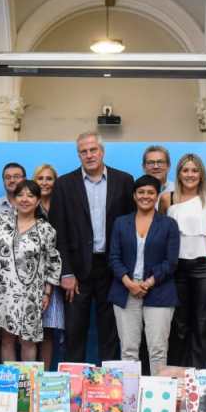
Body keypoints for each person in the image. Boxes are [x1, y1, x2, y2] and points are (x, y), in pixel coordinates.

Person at [49, 132, 135, 362]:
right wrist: (66, 272)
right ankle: (74, 381)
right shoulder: (64, 184)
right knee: (75, 331)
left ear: (102, 151)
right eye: (83, 152)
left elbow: (131, 227)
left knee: (111, 332)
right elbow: (58, 232)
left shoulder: (124, 181)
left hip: (113, 269)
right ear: (78, 155)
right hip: (76, 272)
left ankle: (109, 381)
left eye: (93, 150)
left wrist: (126, 271)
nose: (89, 155)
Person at [109, 175, 180, 375]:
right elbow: (113, 257)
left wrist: (147, 283)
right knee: (128, 350)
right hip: (125, 291)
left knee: (158, 350)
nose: (145, 196)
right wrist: (129, 283)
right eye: (141, 192)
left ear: (157, 196)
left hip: (159, 291)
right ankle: (130, 394)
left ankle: (157, 393)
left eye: (150, 192)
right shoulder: (121, 223)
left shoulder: (169, 224)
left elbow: (171, 262)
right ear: (134, 195)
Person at [0, 180, 62, 362]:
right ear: (14, 199)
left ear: (38, 201)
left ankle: (28, 380)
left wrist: (47, 293)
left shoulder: (46, 229)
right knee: (7, 340)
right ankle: (10, 379)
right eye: (20, 195)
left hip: (31, 293)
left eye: (30, 195)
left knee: (28, 341)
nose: (25, 199)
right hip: (3, 291)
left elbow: (53, 262)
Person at [160, 153, 206, 369]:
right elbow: (160, 235)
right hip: (176, 270)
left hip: (205, 268)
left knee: (203, 323)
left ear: (201, 174)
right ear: (178, 174)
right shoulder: (167, 199)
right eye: (185, 170)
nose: (190, 175)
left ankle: (200, 375)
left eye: (195, 170)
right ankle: (178, 374)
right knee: (179, 324)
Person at [33, 163, 63, 368]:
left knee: (48, 330)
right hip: (29, 275)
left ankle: (44, 374)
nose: (44, 182)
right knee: (26, 330)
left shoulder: (62, 206)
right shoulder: (26, 205)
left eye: (49, 178)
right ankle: (28, 376)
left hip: (54, 275)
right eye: (40, 178)